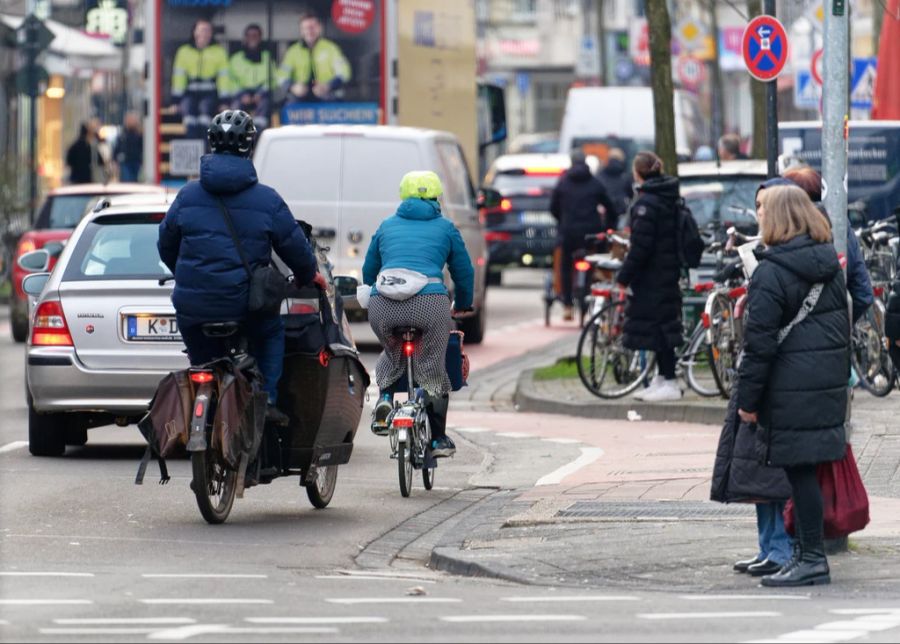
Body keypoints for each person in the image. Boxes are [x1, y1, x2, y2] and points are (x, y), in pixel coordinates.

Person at [158, 110, 322, 424]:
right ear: (248, 148)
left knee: (203, 362)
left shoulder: (187, 195)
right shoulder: (267, 200)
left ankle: (201, 399)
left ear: (211, 147)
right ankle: (269, 399)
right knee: (271, 333)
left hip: (194, 306)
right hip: (246, 306)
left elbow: (165, 244)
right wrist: (307, 275)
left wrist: (186, 275)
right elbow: (294, 247)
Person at [737, 184, 850, 587]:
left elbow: (759, 343)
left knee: (799, 475)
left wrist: (748, 400)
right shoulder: (827, 263)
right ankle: (804, 554)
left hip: (789, 387)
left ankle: (812, 558)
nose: (760, 217)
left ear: (781, 218)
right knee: (805, 473)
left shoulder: (772, 271)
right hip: (822, 384)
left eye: (764, 210)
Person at [362, 171, 475, 458]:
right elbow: (464, 272)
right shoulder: (446, 227)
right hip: (429, 303)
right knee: (433, 367)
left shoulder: (386, 226)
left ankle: (385, 399)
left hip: (383, 304)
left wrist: (369, 292)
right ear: (436, 197)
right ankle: (437, 440)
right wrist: (463, 303)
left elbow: (368, 269)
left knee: (392, 351)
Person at [616, 151, 684, 402]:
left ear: (638, 173)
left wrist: (624, 276)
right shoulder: (666, 197)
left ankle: (669, 381)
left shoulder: (647, 204)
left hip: (653, 276)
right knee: (660, 327)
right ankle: (661, 377)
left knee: (661, 328)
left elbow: (641, 246)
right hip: (665, 272)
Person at [782, 167, 873, 323]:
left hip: (790, 340)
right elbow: (863, 294)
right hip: (836, 336)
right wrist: (842, 326)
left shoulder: (782, 230)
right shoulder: (840, 226)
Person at [549, 148, 618, 321]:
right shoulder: (595, 183)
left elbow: (553, 208)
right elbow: (610, 208)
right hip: (591, 233)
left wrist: (562, 220)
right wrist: (607, 226)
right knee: (594, 261)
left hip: (569, 232)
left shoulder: (563, 182)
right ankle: (590, 295)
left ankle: (567, 305)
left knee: (565, 264)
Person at [171, 19, 230, 139]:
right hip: (189, 93)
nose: (206, 34)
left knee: (205, 119)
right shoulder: (184, 52)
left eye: (208, 31)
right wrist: (176, 101)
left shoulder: (219, 52)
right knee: (189, 119)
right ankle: (193, 152)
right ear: (195, 32)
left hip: (209, 93)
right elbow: (179, 78)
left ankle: (204, 152)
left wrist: (225, 101)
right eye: (202, 30)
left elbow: (224, 79)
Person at [280, 12, 351, 102]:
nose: (309, 31)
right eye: (305, 28)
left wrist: (328, 86)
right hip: (300, 97)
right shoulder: (292, 51)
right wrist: (293, 87)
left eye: (312, 27)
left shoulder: (331, 48)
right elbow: (281, 75)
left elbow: (344, 72)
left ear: (319, 28)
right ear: (301, 31)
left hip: (327, 95)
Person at [228, 24, 275, 129]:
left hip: (261, 95)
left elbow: (272, 79)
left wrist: (260, 93)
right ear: (245, 38)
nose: (252, 38)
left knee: (265, 105)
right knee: (235, 109)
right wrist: (242, 95)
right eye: (249, 35)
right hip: (242, 95)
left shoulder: (267, 56)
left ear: (260, 38)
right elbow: (230, 80)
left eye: (255, 35)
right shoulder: (236, 58)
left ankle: (258, 135)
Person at [596, 148, 634, 224]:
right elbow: (631, 195)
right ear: (622, 159)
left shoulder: (599, 176)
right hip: (621, 213)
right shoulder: (626, 177)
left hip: (603, 213)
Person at [114, 111, 144, 183]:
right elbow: (117, 149)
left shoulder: (140, 135)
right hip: (126, 163)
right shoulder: (122, 135)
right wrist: (115, 161)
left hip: (137, 162)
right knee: (127, 181)